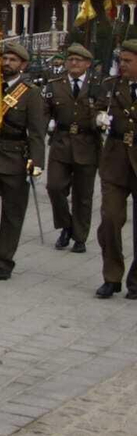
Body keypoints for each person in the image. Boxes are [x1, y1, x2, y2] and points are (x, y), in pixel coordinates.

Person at [0, 40, 47, 280]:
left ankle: (5, 260)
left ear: (23, 65)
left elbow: (37, 131)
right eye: (4, 58)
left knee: (12, 214)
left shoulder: (31, 93)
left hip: (15, 157)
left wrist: (37, 162)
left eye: (13, 60)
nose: (6, 63)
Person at [46, 43, 103, 253]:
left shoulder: (97, 85)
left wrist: (102, 119)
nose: (74, 62)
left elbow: (104, 109)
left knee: (83, 195)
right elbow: (45, 110)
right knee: (54, 187)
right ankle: (66, 225)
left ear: (87, 64)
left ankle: (80, 236)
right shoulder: (55, 84)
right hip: (61, 142)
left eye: (79, 60)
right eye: (71, 59)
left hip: (87, 143)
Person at [94, 40, 137, 298]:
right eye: (121, 60)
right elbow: (97, 109)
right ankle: (112, 276)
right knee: (110, 220)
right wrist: (99, 117)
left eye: (129, 61)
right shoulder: (111, 87)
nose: (123, 65)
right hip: (115, 161)